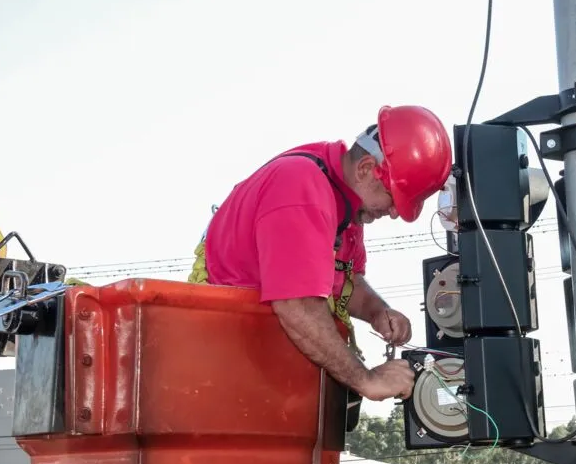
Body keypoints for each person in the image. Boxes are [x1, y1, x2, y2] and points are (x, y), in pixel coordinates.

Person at [187, 104, 453, 403]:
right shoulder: (300, 188)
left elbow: (343, 283)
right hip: (229, 367)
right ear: (366, 168)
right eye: (394, 198)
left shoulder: (344, 201)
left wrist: (377, 310)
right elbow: (297, 304)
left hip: (263, 367)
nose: (393, 213)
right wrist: (367, 380)